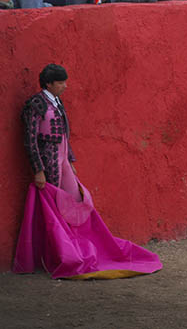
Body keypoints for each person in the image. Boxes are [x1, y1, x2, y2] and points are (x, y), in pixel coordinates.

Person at [13, 64, 163, 280]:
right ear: (49, 83)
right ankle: (60, 253)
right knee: (55, 207)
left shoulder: (56, 102)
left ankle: (76, 246)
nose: (65, 85)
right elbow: (30, 140)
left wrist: (70, 160)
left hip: (61, 157)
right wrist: (38, 169)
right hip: (49, 160)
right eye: (61, 82)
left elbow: (65, 133)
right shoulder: (35, 104)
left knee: (74, 201)